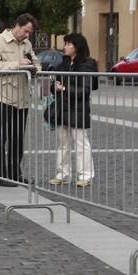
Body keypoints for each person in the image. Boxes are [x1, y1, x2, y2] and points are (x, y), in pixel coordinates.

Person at [0, 13, 40, 187]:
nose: (27, 35)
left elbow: (36, 62)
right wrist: (19, 64)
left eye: (29, 33)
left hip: (22, 98)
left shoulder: (27, 44)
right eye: (26, 31)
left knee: (17, 138)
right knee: (1, 138)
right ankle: (0, 176)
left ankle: (15, 173)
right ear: (17, 25)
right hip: (4, 97)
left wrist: (34, 68)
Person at [47, 32, 97, 187]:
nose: (65, 47)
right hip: (63, 108)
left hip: (78, 108)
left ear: (77, 47)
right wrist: (54, 86)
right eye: (65, 44)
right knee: (63, 143)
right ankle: (62, 174)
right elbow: (54, 84)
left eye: (69, 44)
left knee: (81, 142)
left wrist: (64, 88)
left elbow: (86, 90)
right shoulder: (63, 63)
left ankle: (85, 176)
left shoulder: (87, 64)